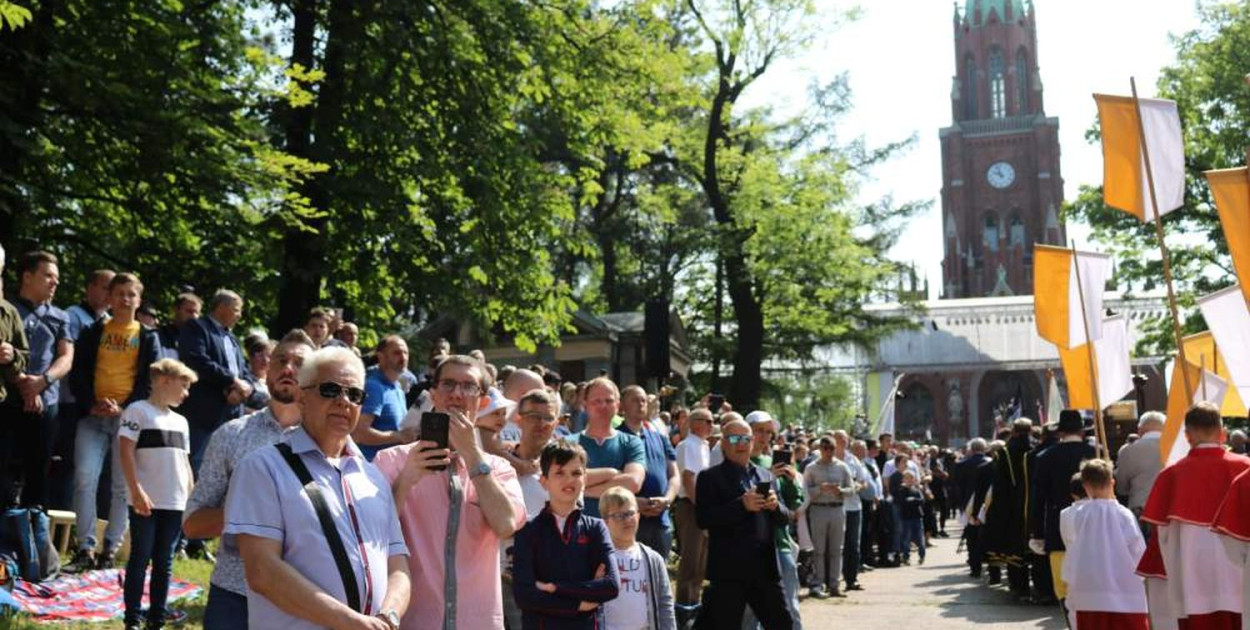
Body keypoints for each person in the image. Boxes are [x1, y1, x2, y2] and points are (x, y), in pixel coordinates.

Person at [225, 346, 410, 630]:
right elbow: (262, 570)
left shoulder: (374, 479)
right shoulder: (263, 468)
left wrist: (389, 617)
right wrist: (353, 623)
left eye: (354, 394)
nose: (343, 401)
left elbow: (397, 565)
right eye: (330, 389)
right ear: (302, 396)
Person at [373, 354, 527, 629]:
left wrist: (472, 456)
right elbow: (373, 534)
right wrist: (406, 480)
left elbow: (506, 525)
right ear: (432, 394)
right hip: (414, 621)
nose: (457, 394)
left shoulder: (499, 468)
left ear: (482, 401)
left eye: (468, 386)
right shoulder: (391, 461)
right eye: (448, 384)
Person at [182, 330, 315, 629]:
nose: (288, 369)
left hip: (306, 598)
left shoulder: (329, 444)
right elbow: (192, 524)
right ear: (268, 368)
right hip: (234, 594)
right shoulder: (231, 435)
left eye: (299, 363)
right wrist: (249, 512)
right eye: (281, 360)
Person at [66, 273, 162, 571]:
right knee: (84, 479)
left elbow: (151, 379)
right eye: (119, 293)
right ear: (110, 297)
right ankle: (84, 548)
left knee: (123, 488)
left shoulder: (148, 337)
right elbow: (78, 373)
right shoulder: (94, 331)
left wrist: (123, 407)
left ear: (138, 299)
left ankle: (110, 549)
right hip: (92, 417)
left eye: (130, 294)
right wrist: (92, 404)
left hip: (127, 422)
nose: (124, 299)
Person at [1140, 402, 1249, 630]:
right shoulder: (1245, 469)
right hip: (1240, 570)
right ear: (1223, 434)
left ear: (1187, 436)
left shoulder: (1171, 475)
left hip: (1192, 571)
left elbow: (1163, 535)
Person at [117, 358, 197, 630]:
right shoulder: (137, 411)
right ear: (165, 380)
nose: (186, 394)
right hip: (145, 501)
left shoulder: (182, 422)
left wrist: (192, 497)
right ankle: (132, 618)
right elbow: (126, 451)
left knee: (164, 561)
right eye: (183, 386)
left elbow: (184, 464)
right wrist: (136, 490)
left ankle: (157, 618)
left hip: (175, 501)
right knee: (141, 555)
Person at [694, 418, 792, 630]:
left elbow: (785, 518)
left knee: (783, 623)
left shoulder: (766, 475)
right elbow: (703, 519)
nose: (741, 444)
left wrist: (775, 507)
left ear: (752, 441)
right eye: (734, 438)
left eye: (746, 438)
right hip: (729, 570)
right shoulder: (709, 477)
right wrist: (742, 505)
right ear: (723, 444)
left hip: (764, 568)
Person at [512, 441, 620, 630]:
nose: (569, 480)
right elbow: (524, 595)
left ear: (585, 479)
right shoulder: (527, 531)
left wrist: (556, 588)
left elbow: (611, 585)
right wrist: (580, 602)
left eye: (576, 473)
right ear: (544, 481)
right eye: (560, 473)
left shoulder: (596, 528)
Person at [3, 251, 73, 518]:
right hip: (8, 399)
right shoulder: (7, 310)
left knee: (39, 471)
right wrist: (24, 384)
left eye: (57, 278)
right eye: (48, 276)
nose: (54, 283)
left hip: (47, 402)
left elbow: (66, 356)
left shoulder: (60, 316)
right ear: (27, 276)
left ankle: (32, 535)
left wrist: (43, 381)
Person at [1060, 459, 1149, 630]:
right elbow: (1137, 549)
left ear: (1085, 485)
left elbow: (1074, 547)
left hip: (1089, 590)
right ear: (1112, 482)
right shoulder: (1124, 514)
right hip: (1124, 589)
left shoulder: (1078, 514)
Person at [179, 289, 259, 471]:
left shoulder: (232, 338)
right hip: (204, 414)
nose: (240, 315)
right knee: (197, 466)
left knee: (227, 467)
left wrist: (245, 388)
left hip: (232, 413)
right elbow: (196, 359)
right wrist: (232, 382)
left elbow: (244, 370)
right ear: (222, 307)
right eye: (237, 309)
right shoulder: (197, 328)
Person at [1029, 410, 1098, 607]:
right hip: (1094, 523)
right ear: (1082, 431)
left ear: (1060, 433)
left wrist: (1037, 532)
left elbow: (1038, 498)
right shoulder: (1096, 452)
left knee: (1064, 587)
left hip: (1057, 525)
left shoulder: (1045, 457)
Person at [744, 410, 804, 629]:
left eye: (769, 432)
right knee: (751, 610)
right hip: (754, 543)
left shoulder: (775, 459)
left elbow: (794, 505)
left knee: (790, 605)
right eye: (759, 430)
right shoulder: (742, 461)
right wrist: (767, 475)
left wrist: (791, 481)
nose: (764, 436)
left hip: (781, 541)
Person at [601, 487, 676, 630]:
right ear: (605, 522)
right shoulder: (597, 557)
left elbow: (664, 602)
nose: (627, 520)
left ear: (638, 516)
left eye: (630, 513)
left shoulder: (653, 559)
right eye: (618, 515)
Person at [618, 385, 679, 558]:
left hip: (661, 521)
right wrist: (633, 501)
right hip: (629, 522)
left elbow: (674, 475)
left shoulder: (660, 438)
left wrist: (667, 500)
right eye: (635, 400)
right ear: (622, 406)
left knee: (659, 578)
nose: (641, 404)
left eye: (643, 400)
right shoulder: (614, 438)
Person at [571, 378, 645, 517]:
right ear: (585, 404)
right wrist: (611, 473)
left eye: (609, 401)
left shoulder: (631, 442)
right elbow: (566, 480)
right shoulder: (569, 443)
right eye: (596, 401)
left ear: (617, 405)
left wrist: (583, 490)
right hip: (576, 528)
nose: (603, 406)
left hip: (618, 530)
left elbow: (633, 482)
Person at [984, 418, 1034, 600]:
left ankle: (1019, 587)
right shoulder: (1036, 449)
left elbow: (1000, 486)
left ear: (1014, 431)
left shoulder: (1004, 453)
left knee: (1015, 548)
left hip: (1012, 506)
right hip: (1034, 503)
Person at [674, 408, 713, 622]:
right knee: (690, 559)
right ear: (695, 423)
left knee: (701, 561)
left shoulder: (704, 445)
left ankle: (694, 604)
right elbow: (688, 478)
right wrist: (701, 506)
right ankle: (683, 608)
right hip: (691, 506)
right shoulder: (687, 444)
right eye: (707, 421)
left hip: (700, 506)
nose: (711, 424)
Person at [804, 435, 853, 598]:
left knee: (836, 549)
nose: (828, 451)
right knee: (819, 549)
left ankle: (834, 585)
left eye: (831, 448)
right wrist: (820, 489)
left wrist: (841, 491)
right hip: (818, 509)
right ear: (820, 449)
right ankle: (818, 583)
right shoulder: (811, 468)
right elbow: (804, 491)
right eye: (825, 448)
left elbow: (852, 489)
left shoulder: (842, 467)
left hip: (837, 509)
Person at [353, 335, 415, 460]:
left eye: (405, 353)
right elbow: (359, 433)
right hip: (371, 470)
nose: (403, 357)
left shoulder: (398, 388)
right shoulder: (373, 386)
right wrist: (399, 437)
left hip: (392, 470)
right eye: (397, 353)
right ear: (381, 357)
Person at [833, 431, 868, 591]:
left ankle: (851, 579)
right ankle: (832, 580)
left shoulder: (853, 460)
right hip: (833, 506)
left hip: (853, 507)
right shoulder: (826, 458)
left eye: (845, 439)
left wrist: (856, 487)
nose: (843, 441)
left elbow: (864, 482)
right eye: (839, 439)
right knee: (834, 545)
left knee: (852, 545)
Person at [1115, 412, 1165, 521]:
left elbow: (1121, 487)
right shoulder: (1178, 447)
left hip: (1141, 511)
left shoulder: (1128, 450)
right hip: (1170, 512)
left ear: (1139, 430)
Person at [953, 438, 993, 577]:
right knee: (988, 536)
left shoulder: (961, 465)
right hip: (987, 505)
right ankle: (992, 567)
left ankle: (975, 567)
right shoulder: (991, 463)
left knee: (972, 538)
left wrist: (961, 505)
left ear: (971, 449)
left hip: (969, 505)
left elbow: (957, 487)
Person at [894, 470, 927, 565]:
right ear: (903, 479)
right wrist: (910, 501)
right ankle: (906, 557)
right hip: (906, 518)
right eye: (907, 478)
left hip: (917, 517)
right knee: (906, 539)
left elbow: (922, 501)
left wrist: (913, 500)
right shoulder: (901, 490)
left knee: (920, 539)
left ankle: (922, 555)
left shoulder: (916, 490)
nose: (909, 480)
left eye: (911, 478)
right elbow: (901, 502)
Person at [156, 293, 201, 360]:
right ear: (176, 310)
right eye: (189, 311)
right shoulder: (159, 336)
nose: (194, 316)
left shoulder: (200, 341)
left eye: (196, 312)